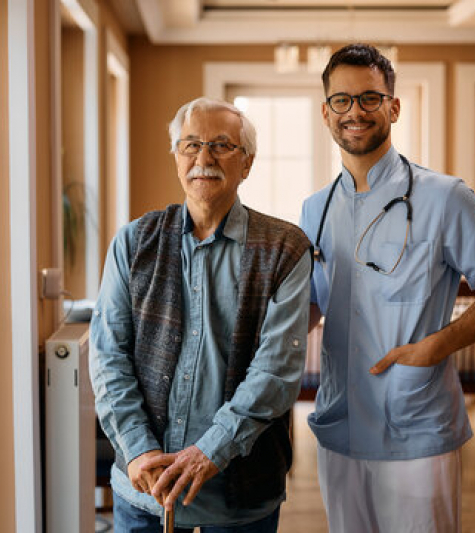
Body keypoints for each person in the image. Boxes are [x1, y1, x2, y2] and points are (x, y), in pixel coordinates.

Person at [298, 44, 475, 532]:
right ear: (325, 112)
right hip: (339, 426)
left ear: (393, 107)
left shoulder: (445, 198)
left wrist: (435, 346)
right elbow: (315, 305)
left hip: (415, 423)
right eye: (341, 100)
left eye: (370, 98)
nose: (355, 111)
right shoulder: (314, 211)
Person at [89, 97, 312, 532]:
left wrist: (209, 452)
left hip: (240, 499)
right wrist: (137, 450)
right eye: (190, 144)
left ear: (246, 164)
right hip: (143, 492)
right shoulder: (133, 242)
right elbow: (108, 355)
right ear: (176, 156)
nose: (203, 158)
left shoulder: (286, 249)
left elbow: (276, 373)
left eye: (221, 146)